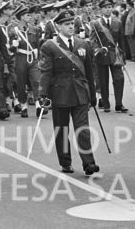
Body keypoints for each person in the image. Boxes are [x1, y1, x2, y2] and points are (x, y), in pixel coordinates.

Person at [37, 16, 101, 176]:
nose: (71, 27)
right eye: (66, 24)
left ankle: (89, 163)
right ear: (58, 26)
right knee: (61, 130)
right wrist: (42, 94)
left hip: (80, 93)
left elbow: (89, 72)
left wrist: (93, 95)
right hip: (60, 94)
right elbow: (46, 72)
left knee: (83, 129)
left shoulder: (83, 44)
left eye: (72, 23)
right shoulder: (49, 46)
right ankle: (65, 162)